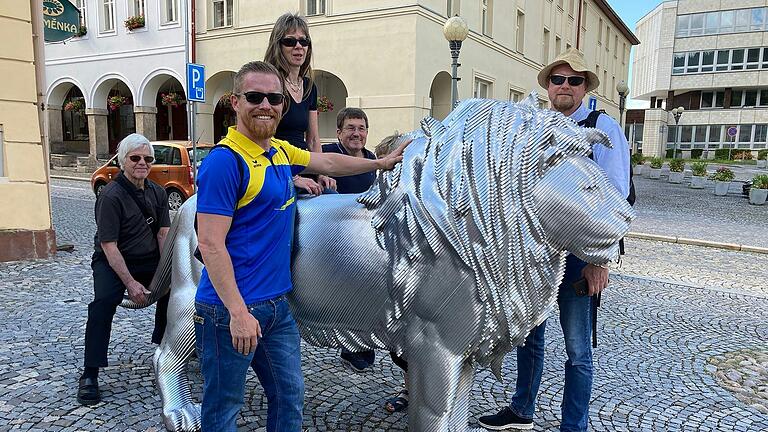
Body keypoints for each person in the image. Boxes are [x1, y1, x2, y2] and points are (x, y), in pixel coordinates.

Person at [193, 61, 407, 432]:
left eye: (274, 98)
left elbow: (325, 160)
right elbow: (210, 244)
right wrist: (238, 313)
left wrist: (384, 162)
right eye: (255, 96)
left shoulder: (277, 150)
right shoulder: (224, 162)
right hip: (230, 312)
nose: (266, 105)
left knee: (289, 398)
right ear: (235, 102)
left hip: (277, 307)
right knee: (224, 406)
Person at [477, 49, 630, 431]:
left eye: (574, 80)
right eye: (558, 79)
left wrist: (601, 260)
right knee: (529, 338)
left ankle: (573, 426)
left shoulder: (603, 129)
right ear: (547, 85)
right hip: (534, 254)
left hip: (578, 256)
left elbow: (615, 197)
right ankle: (522, 410)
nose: (565, 86)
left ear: (584, 89)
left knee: (578, 350)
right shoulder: (532, 126)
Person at [77, 133, 171, 406]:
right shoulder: (110, 196)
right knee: (103, 303)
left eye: (148, 158)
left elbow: (163, 235)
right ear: (122, 160)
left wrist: (165, 273)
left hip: (148, 258)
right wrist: (130, 284)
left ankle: (167, 347)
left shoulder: (157, 192)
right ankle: (90, 373)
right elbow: (109, 246)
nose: (142, 163)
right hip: (112, 261)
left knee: (179, 290)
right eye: (135, 158)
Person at [321, 107, 379, 372]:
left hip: (366, 239)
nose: (357, 134)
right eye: (351, 128)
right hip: (333, 239)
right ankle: (351, 346)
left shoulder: (372, 160)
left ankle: (360, 343)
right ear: (339, 132)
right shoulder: (327, 154)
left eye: (361, 128)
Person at [264, 12, 336, 196]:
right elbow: (262, 140)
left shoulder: (309, 87)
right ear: (278, 46)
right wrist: (292, 178)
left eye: (304, 42)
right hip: (276, 169)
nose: (298, 47)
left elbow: (312, 139)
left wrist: (322, 172)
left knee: (334, 198)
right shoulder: (271, 84)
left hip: (305, 165)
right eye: (290, 41)